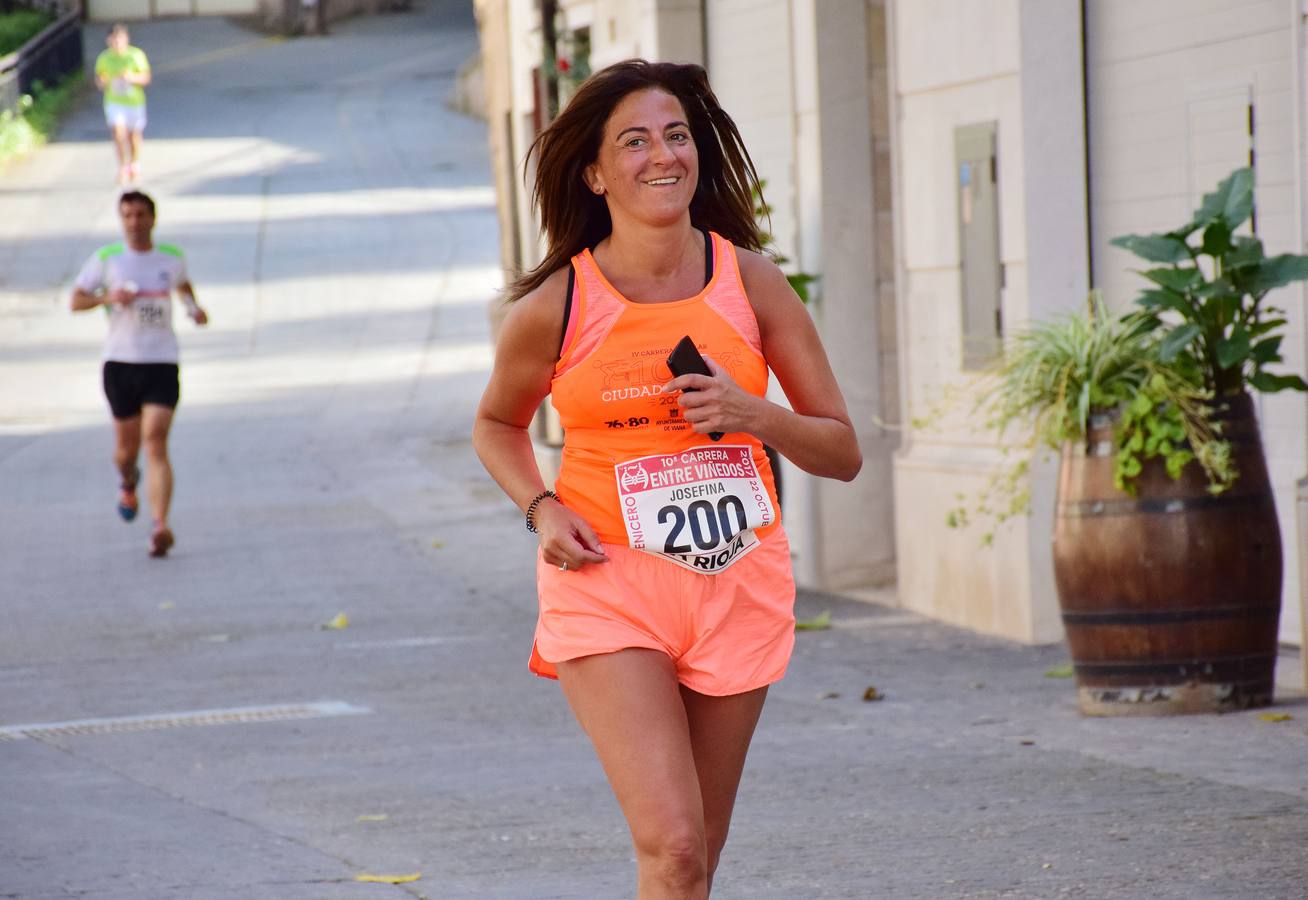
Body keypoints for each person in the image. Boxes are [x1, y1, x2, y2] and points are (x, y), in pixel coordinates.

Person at [472, 60, 861, 898]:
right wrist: (539, 508)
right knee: (675, 847)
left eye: (677, 135)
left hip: (736, 587)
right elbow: (496, 424)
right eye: (636, 141)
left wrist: (752, 413)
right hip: (610, 586)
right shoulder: (556, 305)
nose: (663, 155)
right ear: (595, 171)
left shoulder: (751, 283)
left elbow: (841, 449)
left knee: (697, 863)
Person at [71, 191, 208, 558]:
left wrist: (194, 309)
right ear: (121, 220)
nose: (134, 221)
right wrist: (108, 299)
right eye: (128, 215)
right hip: (120, 363)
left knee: (156, 440)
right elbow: (76, 300)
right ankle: (127, 480)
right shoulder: (107, 260)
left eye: (141, 214)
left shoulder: (171, 259)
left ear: (153, 218)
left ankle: (160, 525)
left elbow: (183, 287)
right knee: (125, 451)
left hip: (162, 361)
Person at [94, 25, 151, 184]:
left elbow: (146, 78)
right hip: (114, 102)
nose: (117, 43)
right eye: (114, 40)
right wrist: (102, 82)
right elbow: (99, 80)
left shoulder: (135, 55)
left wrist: (131, 78)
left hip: (134, 101)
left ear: (126, 39)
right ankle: (122, 167)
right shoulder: (104, 58)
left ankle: (134, 163)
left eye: (120, 39)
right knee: (119, 134)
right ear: (109, 41)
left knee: (134, 136)